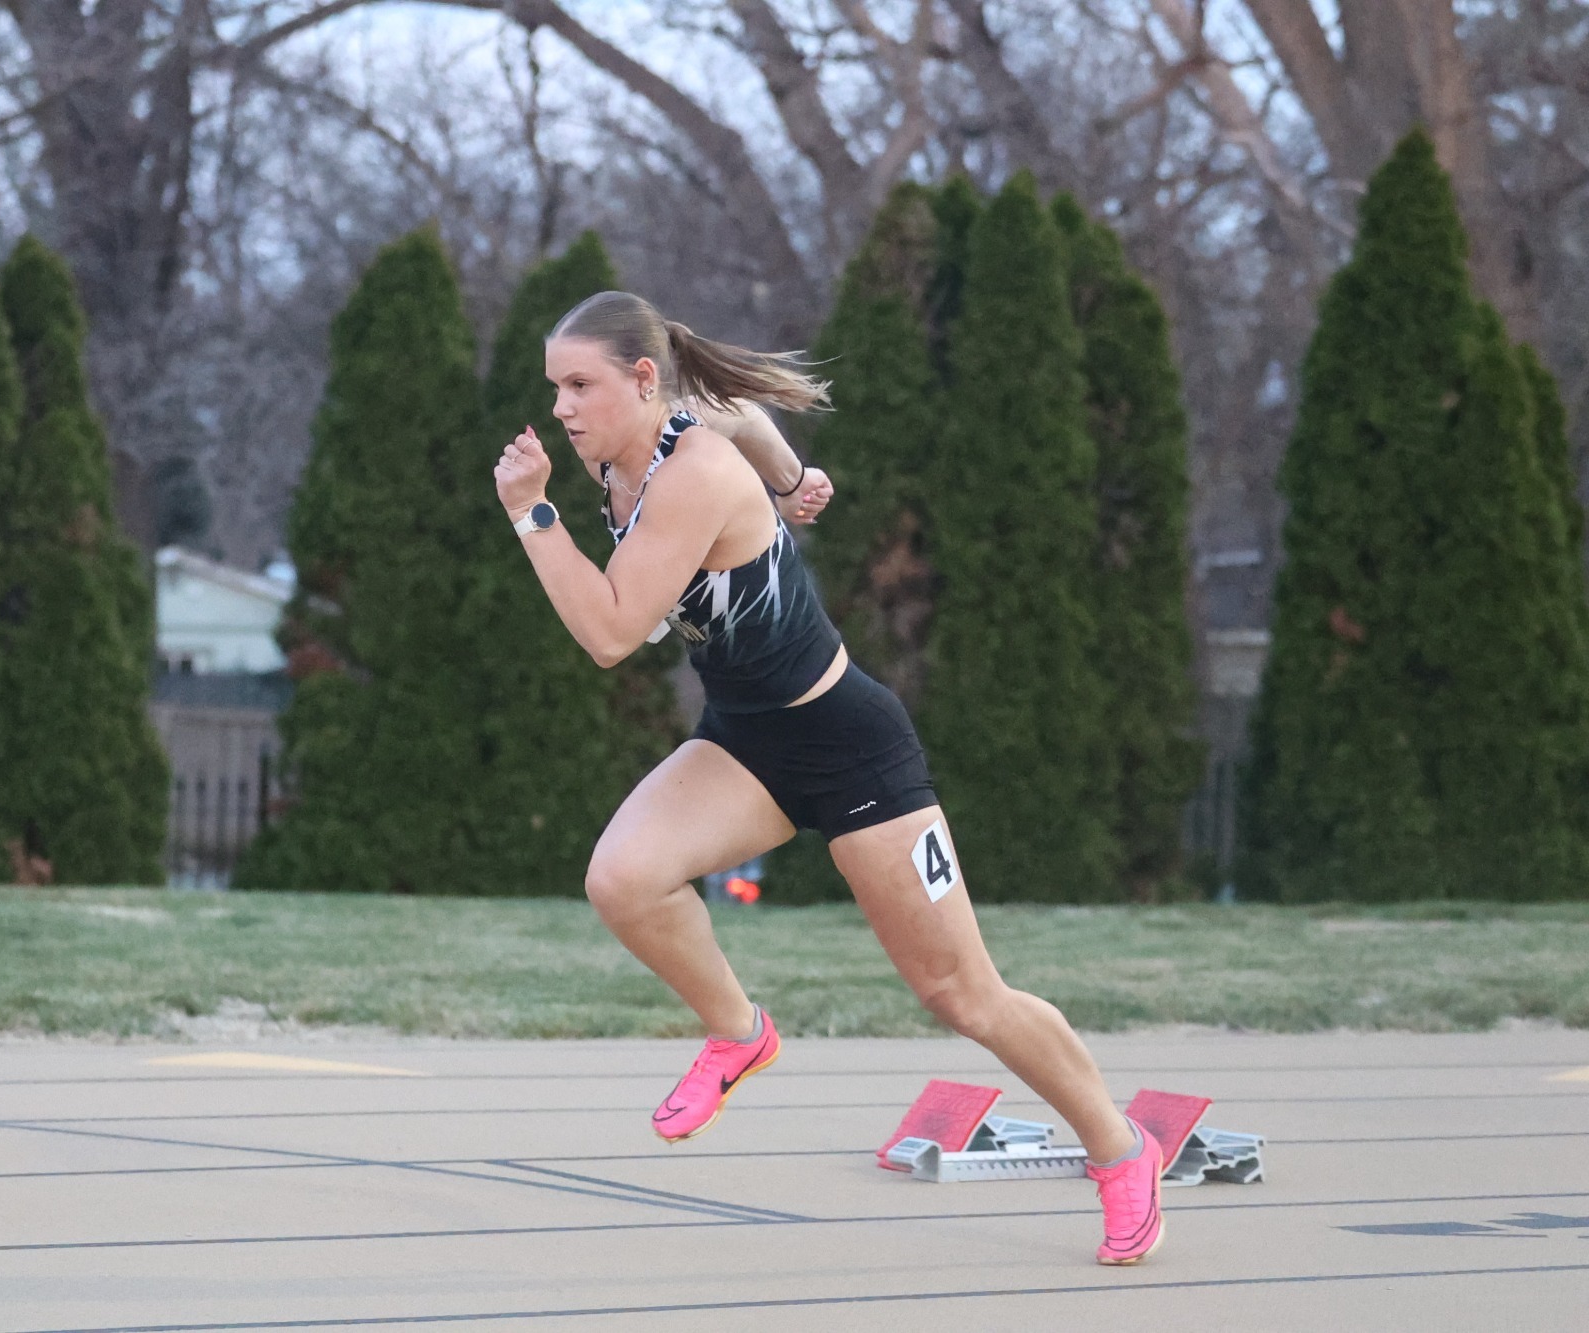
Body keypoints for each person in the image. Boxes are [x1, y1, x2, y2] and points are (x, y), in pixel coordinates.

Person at [492, 290, 1165, 1266]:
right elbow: (741, 411)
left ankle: (1119, 1147)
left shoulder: (690, 473)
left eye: (579, 384)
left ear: (642, 382)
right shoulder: (641, 443)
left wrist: (532, 513)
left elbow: (606, 634)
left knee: (961, 994)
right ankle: (737, 1032)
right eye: (555, 384)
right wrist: (796, 475)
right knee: (622, 879)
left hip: (848, 745)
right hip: (745, 745)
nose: (560, 405)